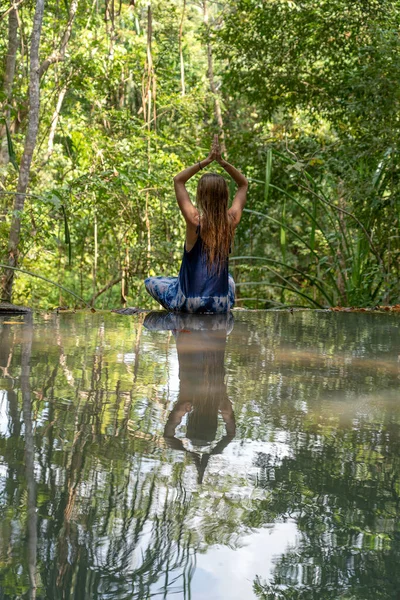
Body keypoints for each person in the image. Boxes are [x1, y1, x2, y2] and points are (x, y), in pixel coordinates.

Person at [144, 134, 248, 313]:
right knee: (229, 279)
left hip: (189, 303)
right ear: (224, 196)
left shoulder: (194, 221)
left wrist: (206, 161)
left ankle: (180, 311)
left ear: (200, 195)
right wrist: (222, 162)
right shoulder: (231, 221)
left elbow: (178, 180)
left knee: (151, 282)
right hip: (219, 304)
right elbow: (243, 184)